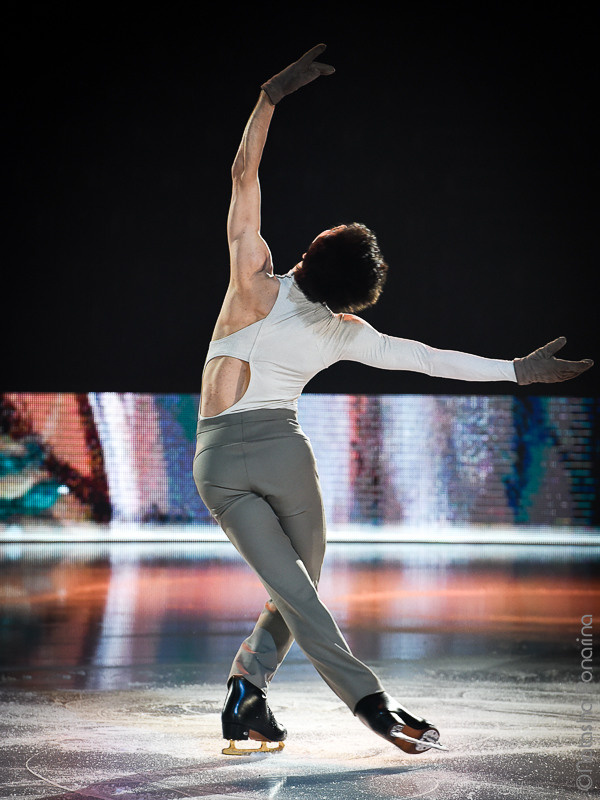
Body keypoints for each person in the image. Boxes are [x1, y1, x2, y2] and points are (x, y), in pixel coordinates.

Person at [193, 44, 593, 756]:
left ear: (313, 248)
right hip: (281, 453)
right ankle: (367, 702)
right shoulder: (346, 332)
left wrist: (268, 99)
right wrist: (514, 371)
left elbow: (242, 173)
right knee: (302, 589)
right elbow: (430, 360)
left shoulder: (252, 278)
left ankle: (247, 692)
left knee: (300, 588)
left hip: (219, 461)